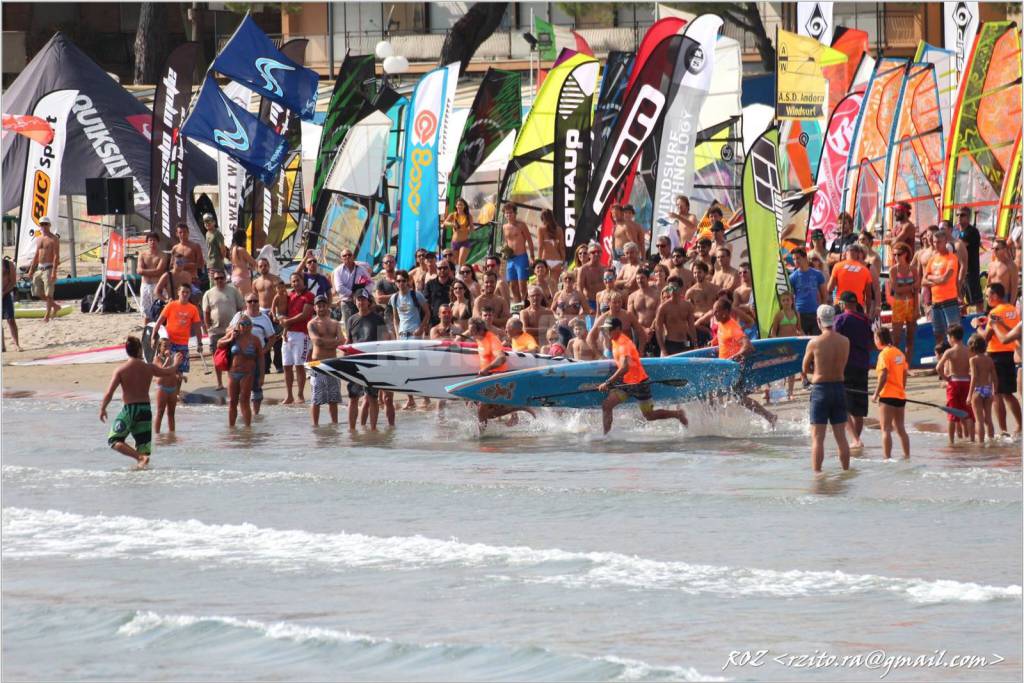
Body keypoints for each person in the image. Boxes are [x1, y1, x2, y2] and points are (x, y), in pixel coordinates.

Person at [99, 336, 182, 468]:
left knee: (114, 440)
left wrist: (103, 408)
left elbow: (109, 392)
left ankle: (139, 458)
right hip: (145, 410)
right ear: (140, 351)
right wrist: (176, 363)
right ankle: (141, 469)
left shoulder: (121, 370)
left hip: (130, 410)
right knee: (143, 448)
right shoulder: (148, 368)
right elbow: (167, 372)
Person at [596, 316, 688, 435]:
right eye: (606, 329)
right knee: (607, 405)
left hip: (639, 383)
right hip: (625, 382)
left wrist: (608, 382)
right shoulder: (614, 340)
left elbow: (625, 367)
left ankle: (678, 414)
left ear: (618, 329)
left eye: (609, 329)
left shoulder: (625, 344)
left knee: (649, 415)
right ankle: (606, 436)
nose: (607, 332)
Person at [801, 304, 851, 472]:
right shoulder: (845, 341)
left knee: (818, 439)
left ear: (818, 320)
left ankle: (817, 477)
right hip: (839, 388)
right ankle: (845, 472)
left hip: (820, 389)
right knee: (841, 438)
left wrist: (809, 375)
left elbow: (804, 367)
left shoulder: (814, 342)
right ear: (834, 319)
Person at [713, 298, 776, 426]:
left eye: (716, 312)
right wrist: (713, 343)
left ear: (725, 312)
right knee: (729, 396)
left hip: (733, 369)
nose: (714, 314)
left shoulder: (733, 328)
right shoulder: (721, 324)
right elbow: (722, 337)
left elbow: (748, 346)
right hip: (723, 368)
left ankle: (769, 416)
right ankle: (720, 421)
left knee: (738, 398)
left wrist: (735, 356)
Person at [469, 317, 536, 429]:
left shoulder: (492, 339)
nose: (470, 334)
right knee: (484, 411)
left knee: (482, 406)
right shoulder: (479, 338)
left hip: (495, 376)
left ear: (480, 330)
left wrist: (487, 369)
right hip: (484, 377)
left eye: (472, 331)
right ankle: (518, 407)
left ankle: (482, 435)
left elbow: (501, 358)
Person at [980, 283, 1022, 434]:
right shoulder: (1012, 309)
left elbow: (986, 337)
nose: (987, 299)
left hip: (996, 354)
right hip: (1010, 353)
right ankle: (1019, 426)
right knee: (1009, 393)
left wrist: (977, 327)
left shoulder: (994, 312)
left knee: (997, 394)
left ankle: (1003, 429)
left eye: (987, 295)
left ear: (995, 295)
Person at [347, 288, 391, 429]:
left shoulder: (377, 319)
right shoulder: (351, 320)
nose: (361, 302)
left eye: (363, 299)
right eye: (358, 299)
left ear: (368, 301)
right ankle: (352, 430)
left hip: (373, 364)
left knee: (372, 398)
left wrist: (383, 365)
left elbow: (384, 342)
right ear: (355, 301)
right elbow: (349, 342)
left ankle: (373, 429)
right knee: (353, 398)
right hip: (355, 364)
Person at [834, 292, 873, 449]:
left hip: (846, 366)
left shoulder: (841, 319)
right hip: (863, 366)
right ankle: (855, 441)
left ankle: (855, 440)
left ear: (843, 304)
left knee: (843, 406)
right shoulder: (865, 319)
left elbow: (834, 341)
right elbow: (872, 342)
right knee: (859, 410)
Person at [230, 294, 276, 415]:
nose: (253, 303)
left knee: (257, 386)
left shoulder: (264, 318)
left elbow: (272, 338)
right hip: (239, 357)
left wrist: (264, 350)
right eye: (250, 301)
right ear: (246, 303)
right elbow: (228, 330)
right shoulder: (239, 316)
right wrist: (233, 332)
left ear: (259, 303)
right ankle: (243, 412)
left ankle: (256, 414)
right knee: (239, 387)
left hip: (256, 356)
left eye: (255, 301)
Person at [202, 268, 244, 390]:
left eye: (221, 278)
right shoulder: (208, 294)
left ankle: (232, 381)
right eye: (216, 278)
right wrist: (207, 328)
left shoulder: (233, 291)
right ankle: (219, 383)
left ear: (225, 278)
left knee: (233, 356)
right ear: (213, 280)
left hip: (232, 330)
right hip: (215, 331)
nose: (219, 280)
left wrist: (239, 326)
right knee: (217, 357)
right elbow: (206, 312)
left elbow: (241, 309)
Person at [217, 314, 263, 427]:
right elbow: (219, 344)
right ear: (238, 325)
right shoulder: (233, 335)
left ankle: (248, 429)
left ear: (251, 326)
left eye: (247, 324)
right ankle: (231, 428)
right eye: (242, 324)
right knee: (232, 401)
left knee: (244, 401)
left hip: (247, 374)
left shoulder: (255, 340)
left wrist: (262, 376)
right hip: (233, 373)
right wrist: (230, 338)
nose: (245, 326)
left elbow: (261, 359)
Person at [923, 228, 962, 359]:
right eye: (934, 242)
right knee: (938, 333)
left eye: (939, 242)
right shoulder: (932, 259)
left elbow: (945, 278)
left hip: (949, 300)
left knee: (954, 334)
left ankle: (956, 362)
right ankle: (941, 361)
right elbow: (923, 280)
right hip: (936, 302)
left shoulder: (952, 258)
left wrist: (932, 278)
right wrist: (936, 280)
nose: (936, 244)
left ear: (945, 241)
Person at [873, 326, 910, 459]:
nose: (874, 341)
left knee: (886, 429)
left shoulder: (884, 354)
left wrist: (876, 394)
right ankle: (907, 456)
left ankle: (887, 458)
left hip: (887, 396)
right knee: (901, 429)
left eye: (875, 338)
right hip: (900, 396)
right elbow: (905, 373)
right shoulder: (899, 353)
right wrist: (901, 388)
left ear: (879, 339)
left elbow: (883, 375)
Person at [307, 294, 343, 426]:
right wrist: (333, 342)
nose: (321, 308)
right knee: (316, 398)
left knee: (333, 398)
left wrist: (327, 342)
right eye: (318, 305)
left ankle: (335, 424)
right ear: (315, 307)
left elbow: (341, 340)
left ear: (327, 306)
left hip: (332, 363)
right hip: (317, 363)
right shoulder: (311, 323)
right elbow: (317, 341)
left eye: (323, 305)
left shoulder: (335, 323)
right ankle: (315, 425)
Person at [153, 283, 202, 381]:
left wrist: (199, 343)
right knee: (169, 369)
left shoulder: (193, 309)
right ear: (178, 293)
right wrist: (153, 337)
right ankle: (169, 392)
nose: (185, 294)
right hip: (169, 343)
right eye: (183, 292)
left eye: (187, 292)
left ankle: (177, 394)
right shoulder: (171, 305)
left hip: (183, 344)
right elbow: (159, 322)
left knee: (180, 370)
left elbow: (197, 328)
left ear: (190, 294)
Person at [936, 324, 975, 444]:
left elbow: (938, 367)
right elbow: (973, 369)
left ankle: (951, 442)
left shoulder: (949, 351)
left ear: (951, 337)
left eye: (948, 337)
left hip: (954, 383)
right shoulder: (969, 351)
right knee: (968, 413)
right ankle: (972, 441)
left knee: (952, 415)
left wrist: (946, 378)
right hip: (966, 382)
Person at [280, 272, 314, 404]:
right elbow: (281, 310)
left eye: (297, 281)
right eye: (293, 281)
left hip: (302, 334)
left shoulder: (309, 296)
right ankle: (289, 395)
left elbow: (305, 315)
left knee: (299, 365)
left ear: (303, 281)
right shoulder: (289, 295)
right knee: (286, 366)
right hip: (287, 334)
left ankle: (300, 394)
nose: (295, 283)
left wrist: (287, 321)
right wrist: (281, 319)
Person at [887, 244, 920, 360]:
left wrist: (917, 308)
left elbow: (917, 291)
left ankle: (907, 365)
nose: (896, 257)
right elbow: (896, 289)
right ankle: (895, 363)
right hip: (899, 304)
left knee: (910, 338)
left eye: (898, 254)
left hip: (911, 303)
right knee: (896, 338)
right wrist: (912, 287)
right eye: (894, 254)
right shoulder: (893, 270)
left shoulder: (913, 269)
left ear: (905, 254)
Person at [826, 243, 877, 316]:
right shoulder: (865, 270)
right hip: (857, 305)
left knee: (839, 326)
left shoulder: (837, 266)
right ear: (857, 254)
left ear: (846, 253)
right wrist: (867, 312)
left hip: (841, 304)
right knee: (855, 327)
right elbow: (868, 295)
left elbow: (830, 288)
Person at [26, 215, 61, 322]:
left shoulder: (53, 239)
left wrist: (54, 272)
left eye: (46, 224)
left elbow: (56, 256)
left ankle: (47, 314)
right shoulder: (39, 239)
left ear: (49, 225)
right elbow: (37, 255)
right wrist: (31, 269)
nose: (44, 226)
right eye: (42, 224)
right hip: (39, 268)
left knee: (48, 294)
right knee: (37, 293)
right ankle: (55, 306)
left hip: (49, 268)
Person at [501, 204, 535, 305]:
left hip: (521, 257)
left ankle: (525, 305)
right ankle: (518, 305)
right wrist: (504, 252)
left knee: (522, 285)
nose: (508, 215)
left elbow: (529, 240)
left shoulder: (521, 225)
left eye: (510, 212)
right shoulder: (504, 227)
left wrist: (532, 256)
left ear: (515, 213)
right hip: (511, 259)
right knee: (512, 285)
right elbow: (506, 242)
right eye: (506, 213)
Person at [788, 248, 826, 335]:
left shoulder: (818, 274)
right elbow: (790, 297)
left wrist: (821, 310)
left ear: (805, 258)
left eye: (798, 258)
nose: (795, 261)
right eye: (794, 259)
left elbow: (824, 294)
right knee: (802, 341)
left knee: (817, 340)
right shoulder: (792, 277)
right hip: (800, 313)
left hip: (815, 313)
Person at [968, 333, 997, 444]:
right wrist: (994, 391)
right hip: (988, 390)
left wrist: (969, 395)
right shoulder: (989, 359)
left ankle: (980, 444)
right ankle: (991, 441)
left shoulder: (973, 360)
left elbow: (974, 377)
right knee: (988, 419)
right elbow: (994, 377)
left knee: (979, 420)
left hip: (978, 390)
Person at [654, 281, 697, 356]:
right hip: (671, 343)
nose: (672, 290)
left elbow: (691, 327)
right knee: (670, 366)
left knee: (686, 365)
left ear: (681, 289)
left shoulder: (688, 306)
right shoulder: (663, 308)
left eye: (674, 288)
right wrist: (663, 349)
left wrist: (695, 343)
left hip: (685, 342)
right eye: (670, 288)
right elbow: (658, 330)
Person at [332, 248, 371, 321]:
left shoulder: (361, 268)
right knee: (350, 328)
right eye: (344, 255)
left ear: (353, 256)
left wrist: (363, 293)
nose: (347, 257)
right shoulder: (338, 271)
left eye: (349, 255)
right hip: (347, 303)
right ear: (341, 258)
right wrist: (353, 295)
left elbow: (370, 283)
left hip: (362, 302)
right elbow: (339, 288)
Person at [628, 269, 660, 356]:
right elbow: (631, 316)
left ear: (648, 278)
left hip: (653, 331)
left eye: (642, 278)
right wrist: (643, 330)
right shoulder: (632, 296)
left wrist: (650, 330)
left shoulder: (656, 295)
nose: (639, 280)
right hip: (638, 331)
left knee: (656, 357)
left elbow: (658, 314)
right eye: (637, 278)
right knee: (638, 357)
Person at [138, 232, 168, 324]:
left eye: (154, 240)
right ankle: (146, 330)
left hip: (157, 285)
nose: (152, 242)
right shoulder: (142, 254)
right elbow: (139, 271)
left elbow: (159, 271)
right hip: (145, 285)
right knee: (146, 311)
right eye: (150, 240)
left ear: (158, 241)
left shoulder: (162, 255)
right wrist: (152, 271)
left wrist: (145, 271)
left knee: (159, 309)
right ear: (147, 242)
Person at [392, 269, 430, 339]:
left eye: (403, 281)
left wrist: (421, 328)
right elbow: (395, 318)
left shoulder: (417, 295)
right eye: (398, 281)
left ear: (407, 281)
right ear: (395, 282)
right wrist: (397, 334)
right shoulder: (394, 297)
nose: (401, 283)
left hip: (415, 334)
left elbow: (427, 313)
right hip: (402, 334)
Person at [152, 338, 180, 433]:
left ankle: (172, 435)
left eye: (169, 346)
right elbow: (162, 370)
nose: (168, 348)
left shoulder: (173, 358)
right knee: (160, 412)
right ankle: (157, 435)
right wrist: (168, 358)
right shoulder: (157, 359)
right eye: (165, 346)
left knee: (171, 413)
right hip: (162, 388)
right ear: (160, 347)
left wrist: (179, 376)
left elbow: (174, 371)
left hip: (172, 388)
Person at [956, 207, 983, 306]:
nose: (959, 217)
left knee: (976, 301)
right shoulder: (959, 232)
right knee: (960, 301)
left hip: (971, 272)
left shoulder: (972, 231)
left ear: (968, 217)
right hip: (961, 272)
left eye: (962, 215)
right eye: (957, 215)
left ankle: (979, 320)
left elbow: (958, 247)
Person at [170, 222, 205, 295]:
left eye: (185, 232)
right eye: (180, 232)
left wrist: (183, 265)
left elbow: (201, 264)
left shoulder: (195, 246)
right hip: (179, 280)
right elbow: (171, 265)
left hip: (192, 279)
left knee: (195, 302)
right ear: (177, 234)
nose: (182, 234)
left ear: (188, 233)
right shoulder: (175, 248)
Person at [536, 208, 566, 279]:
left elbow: (540, 247)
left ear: (542, 218)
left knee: (545, 285)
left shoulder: (541, 229)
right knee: (555, 285)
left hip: (545, 259)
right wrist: (563, 261)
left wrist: (538, 262)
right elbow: (562, 247)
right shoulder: (559, 229)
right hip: (557, 260)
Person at [424, 257, 454, 325]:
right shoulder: (429, 284)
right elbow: (426, 304)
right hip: (434, 321)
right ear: (436, 269)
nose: (442, 270)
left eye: (445, 268)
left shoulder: (455, 284)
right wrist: (426, 321)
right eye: (439, 268)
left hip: (452, 321)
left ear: (449, 269)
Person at [987, 239, 1019, 304]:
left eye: (997, 249)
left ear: (1004, 249)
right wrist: (987, 296)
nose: (994, 251)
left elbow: (1014, 288)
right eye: (993, 248)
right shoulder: (991, 264)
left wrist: (1011, 304)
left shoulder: (1011, 266)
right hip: (992, 298)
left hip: (1004, 298)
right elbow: (988, 283)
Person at [445, 197, 475, 266]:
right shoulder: (453, 215)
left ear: (464, 206)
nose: (459, 206)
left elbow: (472, 229)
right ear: (456, 205)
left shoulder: (468, 216)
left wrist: (465, 229)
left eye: (461, 205)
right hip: (454, 242)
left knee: (461, 262)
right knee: (455, 263)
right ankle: (458, 275)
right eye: (458, 204)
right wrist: (452, 224)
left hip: (464, 242)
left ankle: (460, 274)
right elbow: (445, 222)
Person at [577, 243, 605, 312]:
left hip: (604, 302)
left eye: (599, 252)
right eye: (593, 252)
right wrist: (586, 307)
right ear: (589, 255)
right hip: (590, 302)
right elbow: (579, 289)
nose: (596, 254)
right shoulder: (584, 269)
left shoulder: (605, 268)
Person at [229, 229, 257, 295]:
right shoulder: (241, 250)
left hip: (234, 277)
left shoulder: (232, 250)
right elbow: (254, 263)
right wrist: (251, 267)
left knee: (237, 302)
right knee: (246, 300)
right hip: (243, 277)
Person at [2, 255, 20, 351]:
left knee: (11, 320)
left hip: (6, 294)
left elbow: (12, 282)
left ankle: (16, 344)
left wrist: (3, 293)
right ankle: (2, 346)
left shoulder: (8, 264)